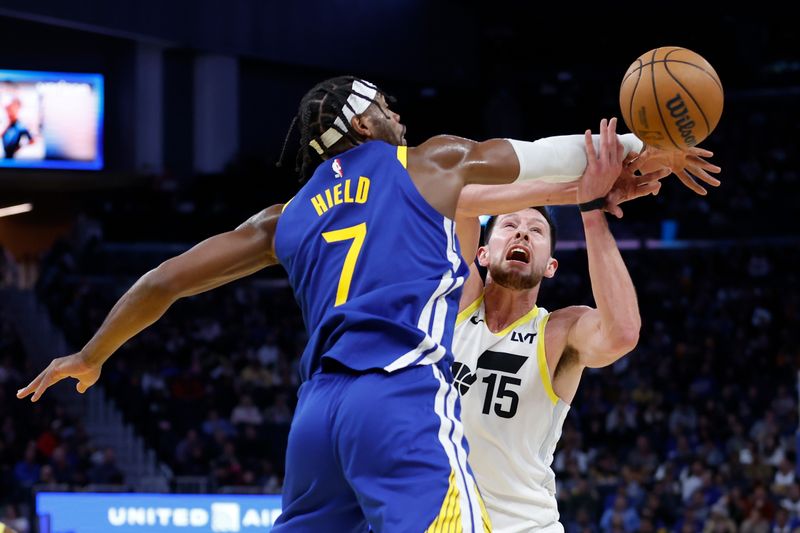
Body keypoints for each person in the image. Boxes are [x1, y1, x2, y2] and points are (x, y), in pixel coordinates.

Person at [17, 76, 714, 532]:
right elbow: (548, 157)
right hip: (399, 396)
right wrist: (640, 146)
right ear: (360, 122)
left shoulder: (284, 215)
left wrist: (90, 352)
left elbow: (165, 279)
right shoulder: (427, 163)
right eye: (384, 106)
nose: (398, 113)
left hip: (317, 418)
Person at [449, 123, 720, 532]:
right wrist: (581, 188)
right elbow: (462, 195)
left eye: (536, 231)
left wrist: (592, 211)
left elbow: (622, 333)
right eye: (509, 225)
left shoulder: (558, 331)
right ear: (482, 254)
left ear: (551, 266)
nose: (523, 230)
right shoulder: (454, 304)